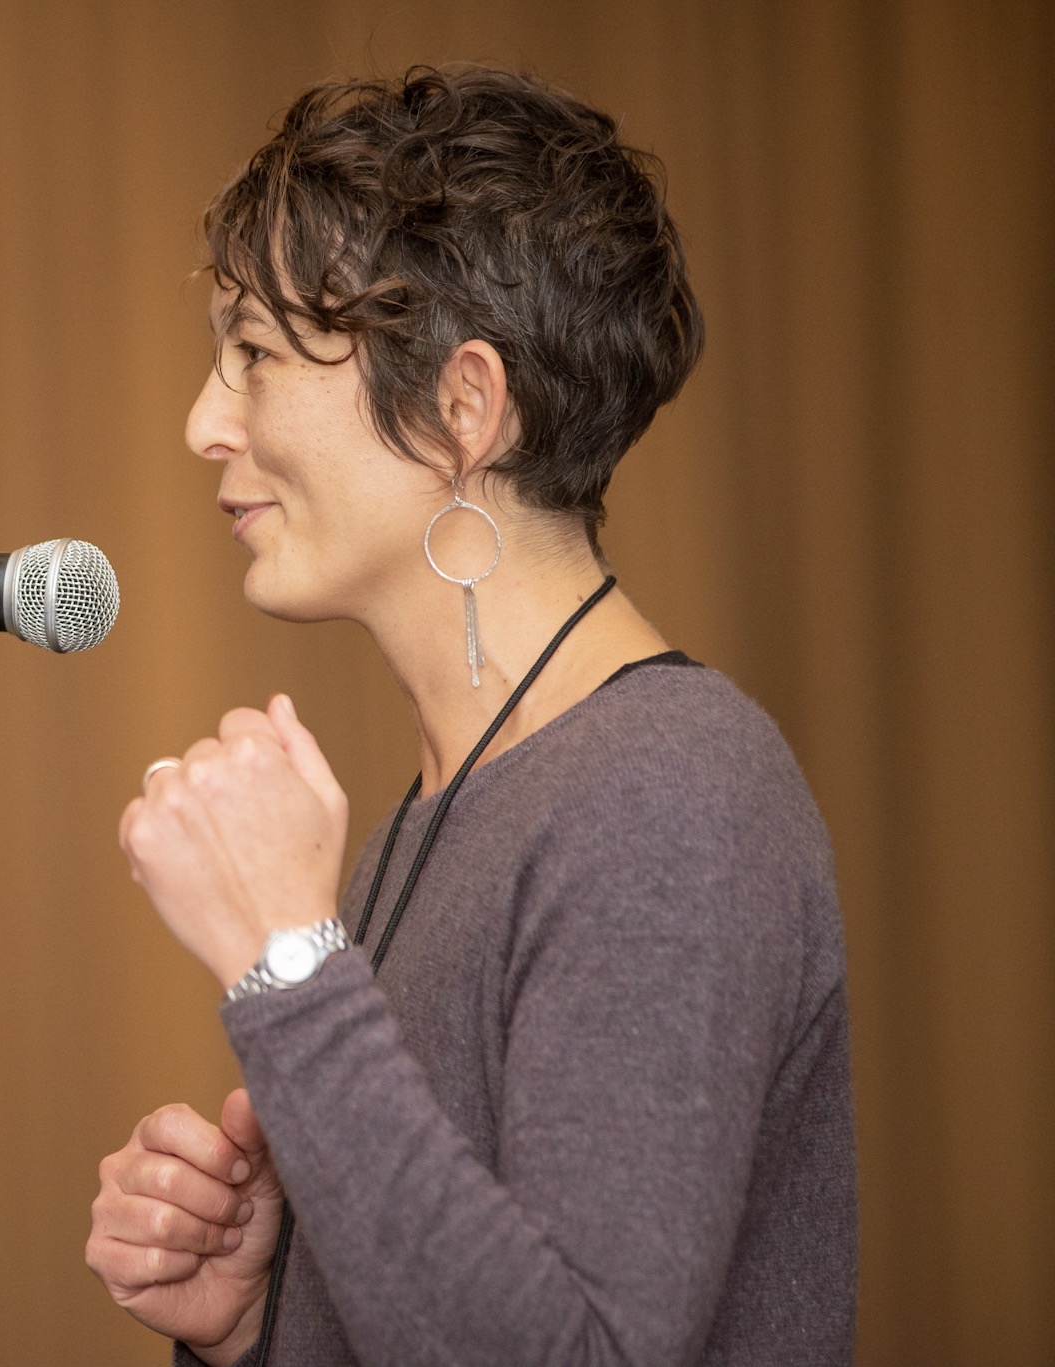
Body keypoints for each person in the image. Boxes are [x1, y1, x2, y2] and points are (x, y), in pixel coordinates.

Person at [84, 68, 855, 1367]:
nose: (205, 423)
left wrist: (285, 965)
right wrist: (262, 1330)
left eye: (257, 357)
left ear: (462, 410)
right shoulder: (432, 824)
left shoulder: (668, 790)